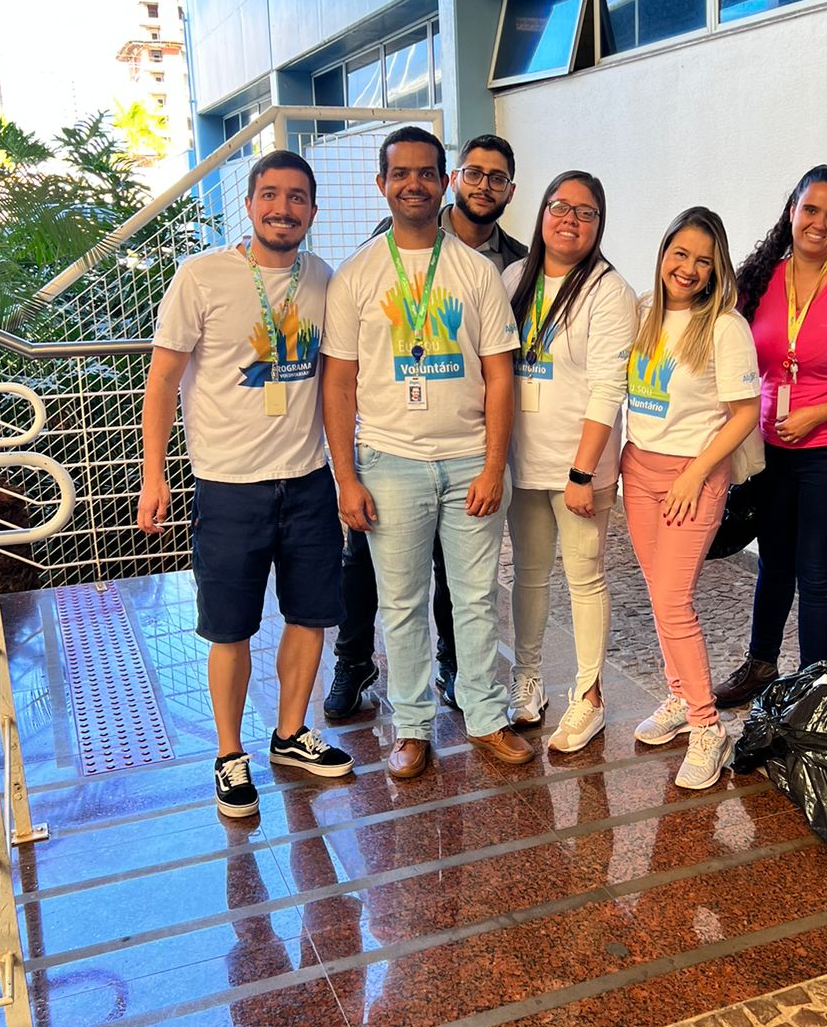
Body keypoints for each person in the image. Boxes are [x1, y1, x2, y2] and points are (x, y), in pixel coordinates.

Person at [137, 150, 352, 819]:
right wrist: (154, 474)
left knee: (312, 615)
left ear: (312, 212)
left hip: (308, 481)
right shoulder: (201, 279)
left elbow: (340, 378)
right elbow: (163, 380)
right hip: (229, 487)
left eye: (296, 198)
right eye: (270, 195)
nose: (282, 208)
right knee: (228, 629)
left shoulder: (324, 279)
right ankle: (230, 755)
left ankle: (290, 735)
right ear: (250, 203)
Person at [321, 124, 532, 781]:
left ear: (443, 184)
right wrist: (345, 477)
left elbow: (501, 375)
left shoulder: (476, 272)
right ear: (382, 184)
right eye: (400, 173)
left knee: (473, 600)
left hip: (469, 458)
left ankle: (486, 717)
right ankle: (411, 728)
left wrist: (494, 464)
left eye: (425, 173)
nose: (414, 183)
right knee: (403, 600)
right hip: (389, 460)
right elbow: (338, 382)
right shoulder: (357, 274)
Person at [713, 165, 827, 705]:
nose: (820, 223)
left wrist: (818, 414)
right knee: (773, 566)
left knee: (817, 575)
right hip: (770, 450)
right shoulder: (757, 278)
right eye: (811, 209)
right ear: (792, 209)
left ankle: (814, 691)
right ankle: (760, 667)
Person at [621, 208, 762, 791]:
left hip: (692, 477)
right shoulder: (643, 316)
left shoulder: (725, 326)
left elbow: (745, 414)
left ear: (716, 270)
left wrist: (694, 475)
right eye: (680, 253)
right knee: (659, 597)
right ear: (662, 254)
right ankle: (680, 698)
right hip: (639, 468)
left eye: (703, 260)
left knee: (675, 600)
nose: (688, 268)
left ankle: (709, 728)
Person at [503, 171, 639, 752]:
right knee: (529, 574)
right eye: (560, 206)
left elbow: (610, 387)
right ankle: (527, 679)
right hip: (522, 459)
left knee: (585, 578)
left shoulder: (609, 291)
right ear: (542, 213)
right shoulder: (514, 277)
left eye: (586, 213)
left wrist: (582, 472)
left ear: (600, 225)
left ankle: (589, 697)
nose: (570, 220)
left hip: (580, 469)